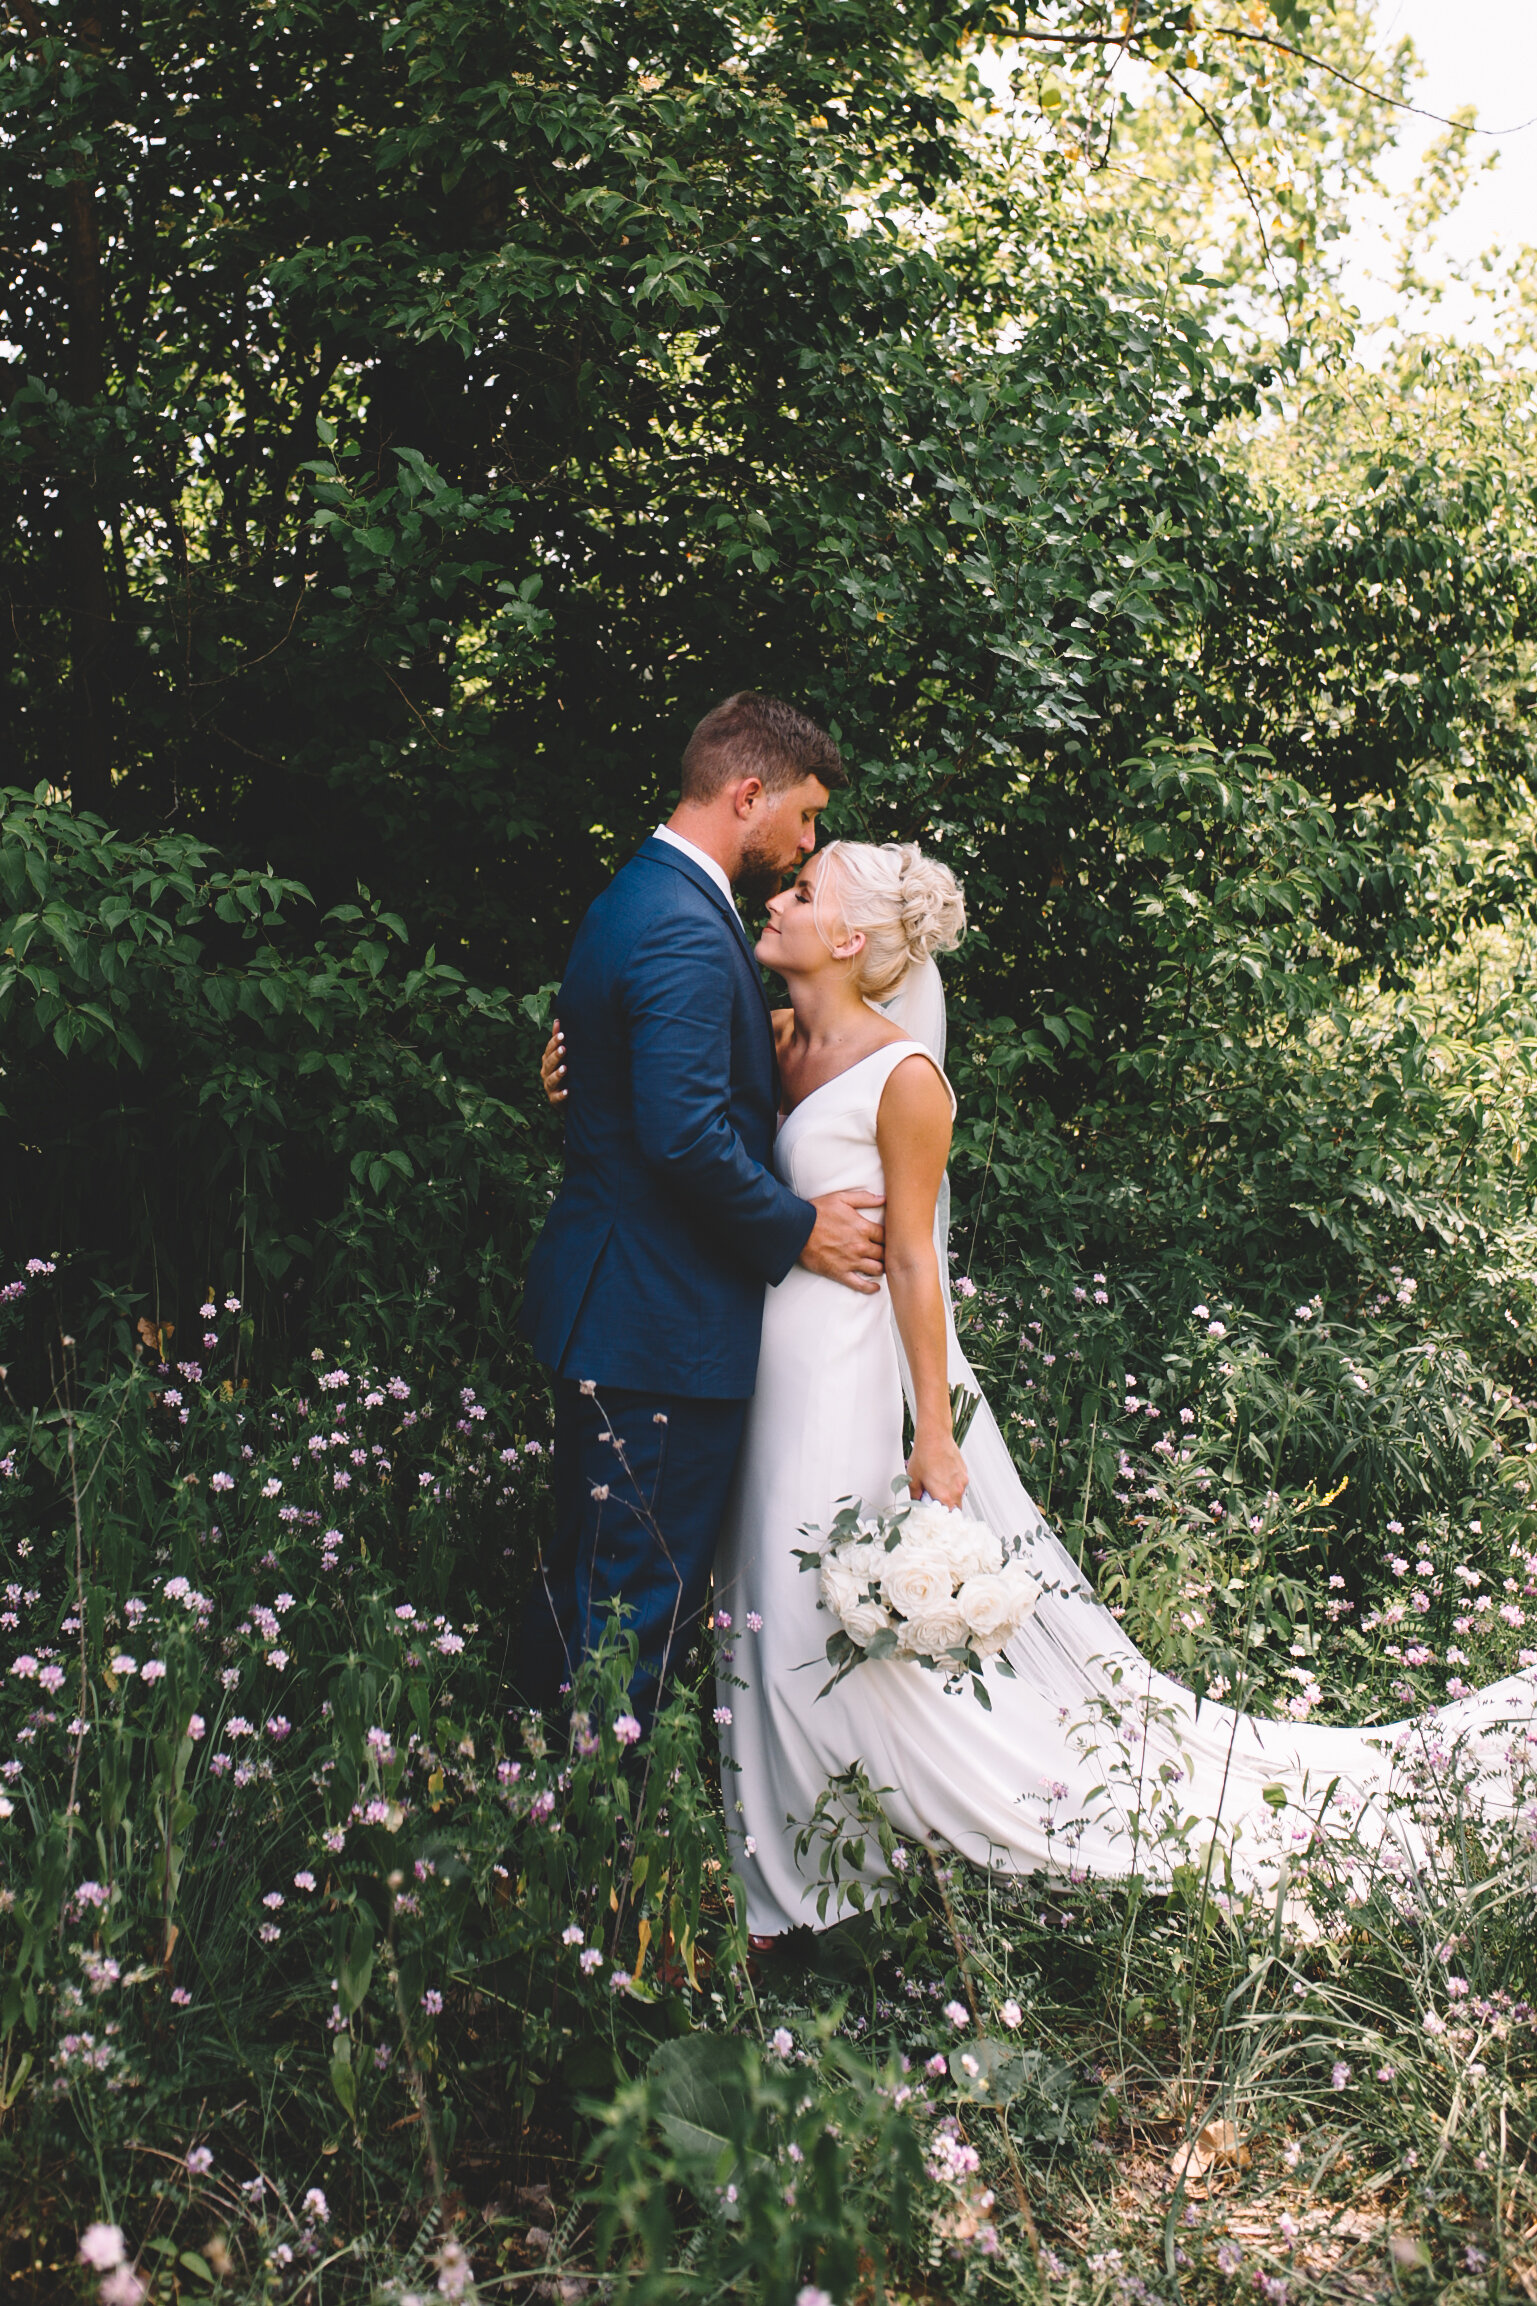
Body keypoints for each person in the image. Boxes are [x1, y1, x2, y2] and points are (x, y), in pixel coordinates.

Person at [546, 837, 1537, 1939]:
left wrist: (934, 1432)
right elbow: (668, 1097)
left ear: (850, 939)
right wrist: (571, 1061)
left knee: (811, 1599)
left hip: (844, 1368)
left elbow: (916, 1262)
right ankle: (782, 1850)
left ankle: (838, 1877)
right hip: (763, 1351)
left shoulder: (906, 1078)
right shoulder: (774, 1040)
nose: (774, 899)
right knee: (761, 1601)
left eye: (802, 891)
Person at [516, 692, 888, 1723]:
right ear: (749, 792)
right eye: (804, 817)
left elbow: (651, 1066)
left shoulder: (637, 896)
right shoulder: (684, 923)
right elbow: (683, 1134)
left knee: (589, 1577)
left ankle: (532, 1807)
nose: (807, 840)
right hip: (658, 1319)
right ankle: (590, 1853)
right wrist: (799, 1227)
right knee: (633, 1601)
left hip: (614, 1303)